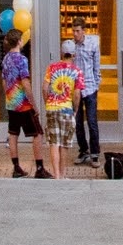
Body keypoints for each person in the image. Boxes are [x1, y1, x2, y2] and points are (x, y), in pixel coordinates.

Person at [1, 29, 47, 178]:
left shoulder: (6, 59)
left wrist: (8, 95)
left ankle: (16, 167)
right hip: (23, 104)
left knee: (13, 134)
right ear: (19, 41)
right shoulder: (21, 60)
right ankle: (40, 168)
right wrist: (33, 104)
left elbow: (3, 81)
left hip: (11, 102)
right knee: (38, 133)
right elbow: (25, 83)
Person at [40, 40, 82, 179]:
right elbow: (76, 94)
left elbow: (45, 88)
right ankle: (63, 175)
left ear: (62, 53)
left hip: (52, 108)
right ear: (74, 55)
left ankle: (56, 175)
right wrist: (75, 110)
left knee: (54, 142)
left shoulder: (51, 67)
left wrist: (48, 103)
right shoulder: (77, 72)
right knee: (64, 144)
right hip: (66, 109)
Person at [72, 20, 102, 168]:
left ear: (84, 31)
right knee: (77, 123)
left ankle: (95, 154)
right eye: (74, 31)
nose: (75, 34)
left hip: (90, 88)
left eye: (78, 31)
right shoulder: (71, 47)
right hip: (76, 90)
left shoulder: (92, 44)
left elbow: (97, 66)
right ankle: (83, 150)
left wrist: (96, 84)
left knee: (92, 122)